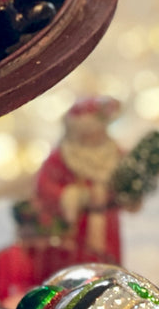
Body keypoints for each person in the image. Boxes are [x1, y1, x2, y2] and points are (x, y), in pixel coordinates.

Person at [34, 96, 128, 263]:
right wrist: (75, 196)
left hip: (107, 222)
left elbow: (125, 184)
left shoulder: (115, 153)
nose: (92, 138)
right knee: (77, 262)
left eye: (96, 133)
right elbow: (44, 186)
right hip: (75, 226)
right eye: (87, 135)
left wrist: (118, 195)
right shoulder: (63, 156)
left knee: (109, 262)